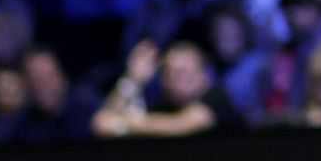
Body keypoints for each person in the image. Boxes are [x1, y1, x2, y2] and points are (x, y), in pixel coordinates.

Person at [93, 40, 241, 137]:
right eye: (171, 72)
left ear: (203, 75)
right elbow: (103, 121)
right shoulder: (162, 105)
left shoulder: (217, 98)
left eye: (184, 72)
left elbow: (180, 125)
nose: (178, 80)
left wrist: (121, 125)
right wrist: (133, 79)